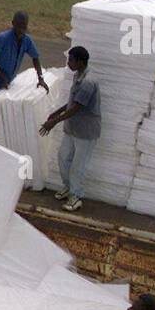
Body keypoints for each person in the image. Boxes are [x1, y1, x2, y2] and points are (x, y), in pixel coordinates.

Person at [39, 46, 100, 212]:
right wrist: (56, 112)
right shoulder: (78, 75)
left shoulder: (88, 82)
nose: (68, 63)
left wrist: (54, 122)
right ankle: (69, 187)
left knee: (78, 166)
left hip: (86, 132)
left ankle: (76, 196)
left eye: (71, 60)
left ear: (80, 62)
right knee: (63, 157)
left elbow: (76, 108)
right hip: (73, 129)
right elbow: (72, 102)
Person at [0, 10, 47, 140]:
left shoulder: (27, 40)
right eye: (19, 24)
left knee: (0, 116)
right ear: (13, 23)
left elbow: (35, 57)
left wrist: (41, 78)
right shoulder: (2, 39)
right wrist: (3, 77)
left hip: (6, 81)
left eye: (24, 25)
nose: (22, 28)